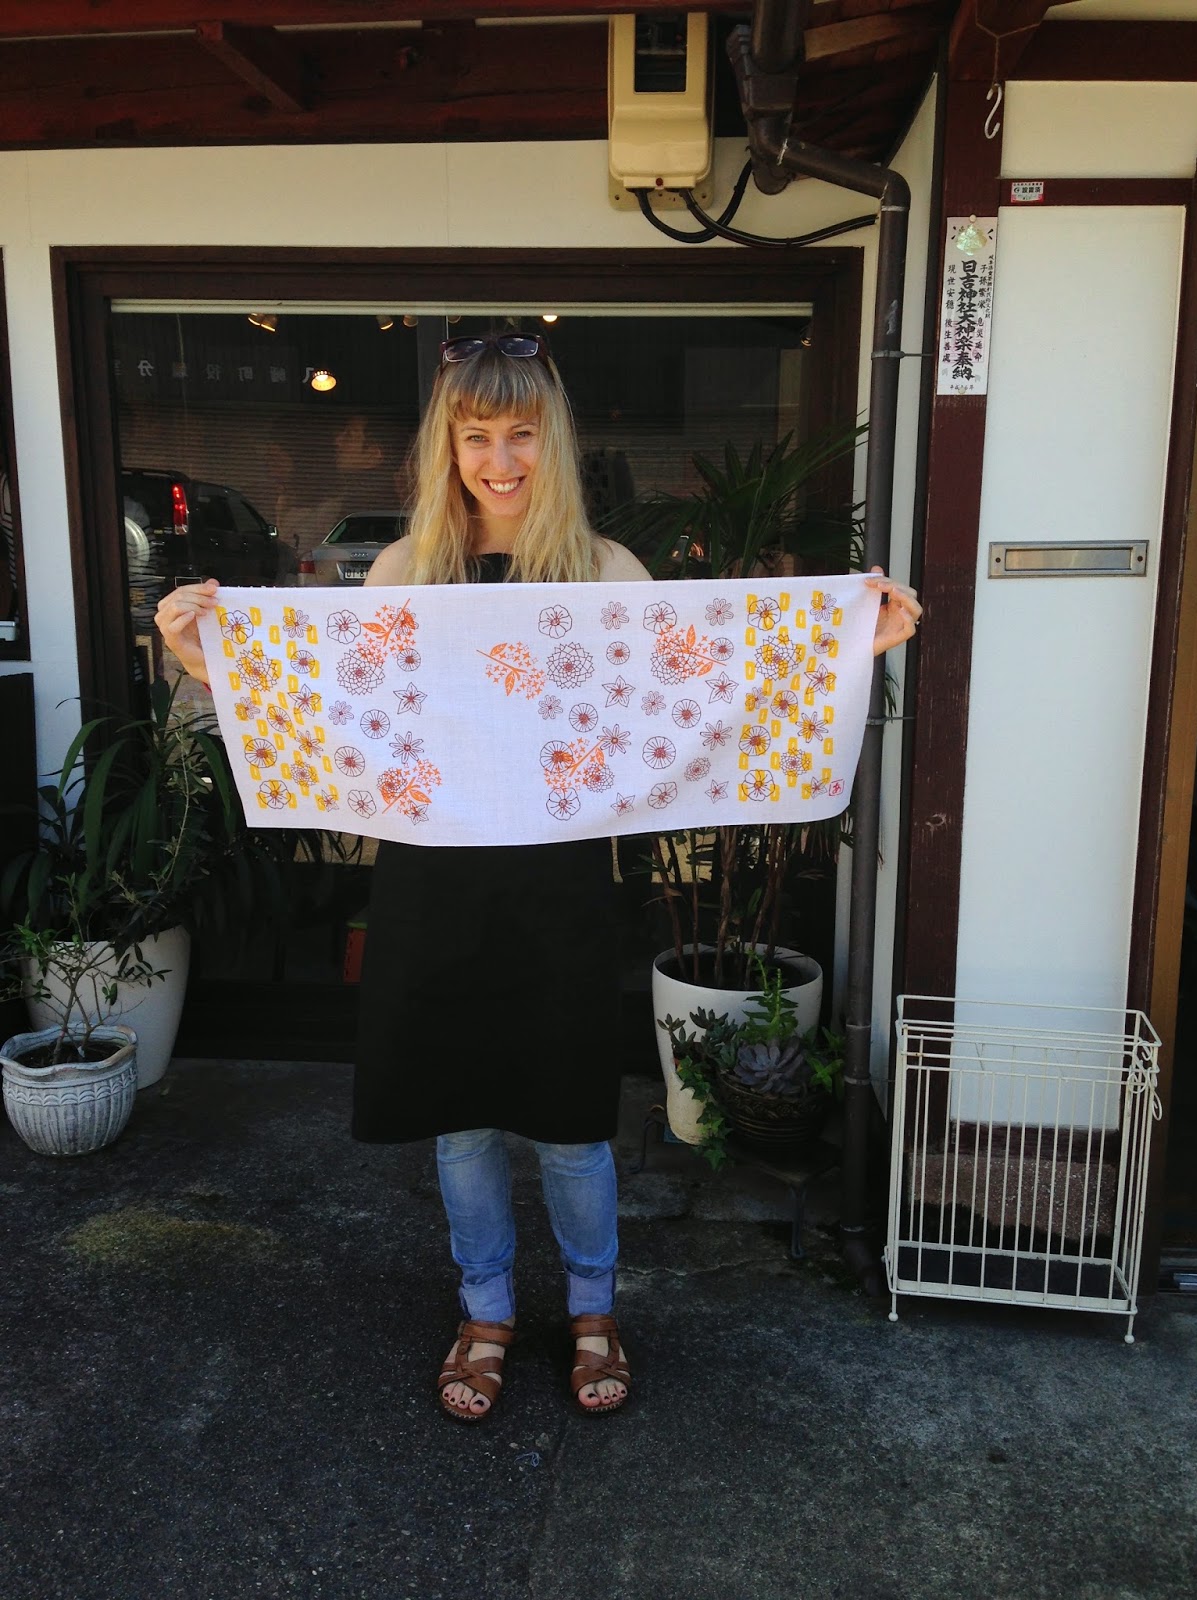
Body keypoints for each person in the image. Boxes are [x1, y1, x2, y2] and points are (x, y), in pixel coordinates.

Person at [155, 330, 922, 1425]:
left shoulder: (605, 574)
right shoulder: (405, 571)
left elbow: (696, 700)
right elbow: (336, 718)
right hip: (432, 885)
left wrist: (850, 649)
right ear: (448, 444)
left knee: (571, 1123)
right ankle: (487, 1315)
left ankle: (595, 1312)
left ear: (551, 440)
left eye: (520, 434)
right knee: (460, 1118)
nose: (500, 460)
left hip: (559, 885)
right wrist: (208, 662)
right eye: (477, 436)